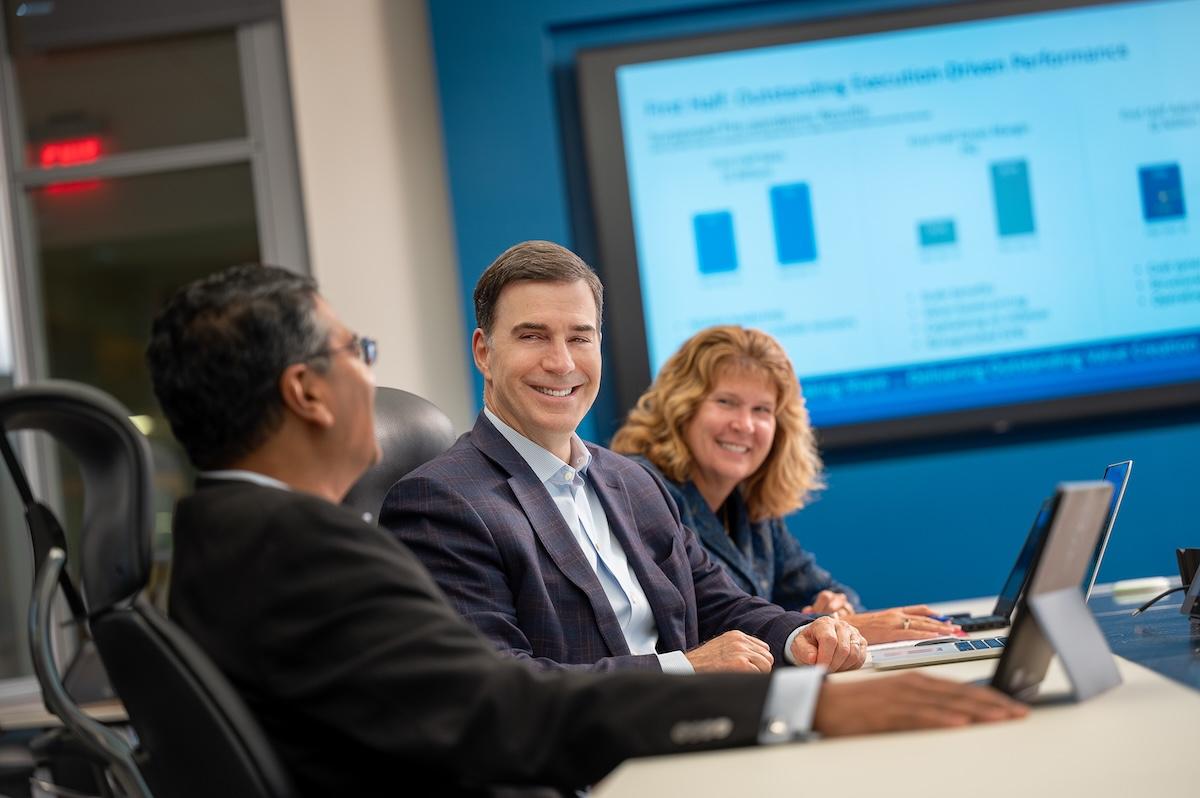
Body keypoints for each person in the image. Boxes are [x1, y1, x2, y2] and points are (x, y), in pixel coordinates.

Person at [147, 263, 1025, 795]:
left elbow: (721, 602)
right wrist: (795, 706)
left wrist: (799, 653)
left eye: (583, 336)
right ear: (304, 392)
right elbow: (507, 706)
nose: (370, 383)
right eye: (356, 355)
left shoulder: (231, 537)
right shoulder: (311, 548)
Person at [611, 325, 959, 644]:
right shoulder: (643, 490)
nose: (744, 425)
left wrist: (835, 609)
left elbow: (825, 589)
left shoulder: (748, 505)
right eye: (726, 402)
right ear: (681, 408)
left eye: (762, 410)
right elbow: (703, 622)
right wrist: (837, 627)